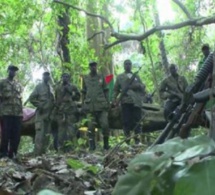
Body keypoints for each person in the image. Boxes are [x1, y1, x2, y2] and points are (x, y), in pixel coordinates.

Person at [113, 59, 145, 145]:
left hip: (136, 101)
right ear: (124, 66)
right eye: (126, 64)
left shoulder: (136, 76)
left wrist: (137, 85)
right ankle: (127, 141)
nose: (128, 65)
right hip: (125, 101)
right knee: (126, 121)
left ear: (131, 65)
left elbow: (143, 87)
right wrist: (114, 100)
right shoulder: (120, 77)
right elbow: (115, 90)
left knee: (137, 121)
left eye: (129, 64)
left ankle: (137, 140)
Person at [82, 61, 110, 151]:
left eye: (94, 66)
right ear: (89, 67)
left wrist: (108, 102)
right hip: (90, 106)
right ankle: (92, 146)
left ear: (96, 67)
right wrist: (83, 104)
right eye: (91, 66)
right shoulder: (85, 78)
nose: (93, 67)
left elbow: (106, 90)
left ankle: (106, 145)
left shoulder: (101, 77)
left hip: (101, 106)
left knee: (105, 125)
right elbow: (83, 92)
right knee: (90, 127)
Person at [28, 72, 54, 156]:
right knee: (39, 135)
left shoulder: (50, 88)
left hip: (49, 115)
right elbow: (31, 98)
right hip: (41, 115)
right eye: (45, 75)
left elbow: (53, 101)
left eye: (48, 75)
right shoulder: (39, 87)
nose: (47, 77)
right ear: (43, 77)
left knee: (47, 135)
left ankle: (44, 154)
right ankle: (37, 155)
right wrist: (40, 105)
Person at [0, 65, 23, 159]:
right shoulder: (2, 82)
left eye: (15, 71)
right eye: (12, 70)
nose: (13, 72)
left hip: (17, 113)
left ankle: (13, 153)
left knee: (16, 135)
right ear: (8, 71)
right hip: (6, 112)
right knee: (6, 134)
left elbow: (20, 99)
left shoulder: (18, 85)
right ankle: (3, 154)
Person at [54, 73, 80, 152]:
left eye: (67, 76)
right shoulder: (58, 88)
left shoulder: (73, 87)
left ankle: (72, 149)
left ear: (69, 78)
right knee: (61, 132)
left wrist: (71, 93)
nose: (65, 78)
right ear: (61, 78)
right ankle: (60, 149)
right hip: (61, 112)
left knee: (71, 131)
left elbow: (78, 97)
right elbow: (56, 99)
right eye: (63, 77)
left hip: (70, 111)